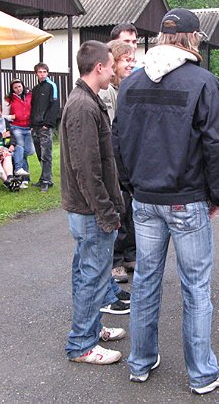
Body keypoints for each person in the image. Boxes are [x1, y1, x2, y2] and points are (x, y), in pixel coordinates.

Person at [112, 8, 219, 394]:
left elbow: (118, 139)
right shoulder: (203, 81)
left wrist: (131, 184)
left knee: (146, 281)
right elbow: (217, 144)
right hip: (185, 198)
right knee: (195, 286)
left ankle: (140, 361)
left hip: (145, 198)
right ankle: (202, 374)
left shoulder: (132, 83)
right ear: (193, 39)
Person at [60, 40, 126, 365]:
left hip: (88, 209)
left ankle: (90, 329)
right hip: (90, 211)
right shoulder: (83, 106)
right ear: (99, 67)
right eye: (111, 67)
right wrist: (105, 211)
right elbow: (86, 168)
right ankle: (82, 344)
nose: (113, 72)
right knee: (93, 276)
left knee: (88, 273)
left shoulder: (86, 100)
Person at [98, 39, 136, 285]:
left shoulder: (125, 87)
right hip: (114, 161)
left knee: (129, 209)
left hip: (127, 160)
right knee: (118, 210)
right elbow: (112, 130)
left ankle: (130, 255)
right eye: (126, 60)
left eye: (133, 60)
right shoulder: (107, 92)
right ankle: (116, 261)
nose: (131, 64)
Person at [30, 62, 59, 192]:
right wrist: (32, 124)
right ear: (36, 73)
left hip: (45, 126)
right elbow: (33, 107)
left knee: (46, 153)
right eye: (40, 72)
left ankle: (46, 180)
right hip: (35, 126)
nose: (42, 74)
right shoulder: (36, 89)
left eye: (44, 72)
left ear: (47, 73)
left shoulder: (52, 86)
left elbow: (54, 106)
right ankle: (44, 177)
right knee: (39, 153)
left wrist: (48, 124)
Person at [5, 78, 33, 187]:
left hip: (28, 127)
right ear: (12, 89)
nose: (18, 89)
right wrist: (11, 117)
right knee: (20, 150)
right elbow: (4, 115)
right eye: (15, 88)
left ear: (23, 86)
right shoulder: (9, 99)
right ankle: (23, 178)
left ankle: (20, 174)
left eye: (19, 86)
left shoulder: (29, 95)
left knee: (28, 151)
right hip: (17, 127)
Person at [0, 102, 22, 191]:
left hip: (7, 144)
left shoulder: (4, 121)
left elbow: (11, 134)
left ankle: (17, 170)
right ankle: (8, 181)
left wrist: (12, 144)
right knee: (1, 156)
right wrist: (2, 136)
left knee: (20, 149)